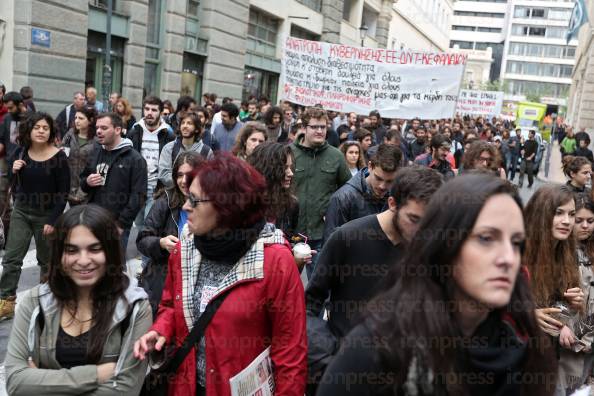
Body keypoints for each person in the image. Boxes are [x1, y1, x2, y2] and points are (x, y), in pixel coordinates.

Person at [317, 174, 557, 395]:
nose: (507, 257)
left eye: (516, 242)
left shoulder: (522, 355)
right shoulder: (378, 351)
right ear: (444, 247)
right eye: (486, 238)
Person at [133, 154, 307, 396]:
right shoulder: (185, 248)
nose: (185, 207)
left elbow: (290, 351)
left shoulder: (276, 261)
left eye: (194, 200)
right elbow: (171, 305)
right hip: (186, 385)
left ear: (227, 207)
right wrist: (161, 330)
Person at [307, 166, 443, 393]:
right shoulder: (347, 237)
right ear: (392, 204)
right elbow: (309, 303)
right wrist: (327, 358)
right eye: (414, 219)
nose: (422, 231)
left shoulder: (431, 249)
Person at [5, 204, 152, 395]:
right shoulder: (34, 302)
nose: (83, 260)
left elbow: (124, 390)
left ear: (110, 252)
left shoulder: (135, 308)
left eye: (95, 249)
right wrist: (96, 375)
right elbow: (16, 381)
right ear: (59, 254)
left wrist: (40, 382)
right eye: (72, 250)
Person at [0, 112, 70, 320]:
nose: (41, 131)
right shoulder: (21, 152)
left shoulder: (59, 157)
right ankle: (6, 301)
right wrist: (13, 170)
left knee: (47, 261)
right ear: (29, 130)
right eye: (37, 127)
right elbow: (13, 183)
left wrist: (53, 220)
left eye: (45, 128)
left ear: (50, 132)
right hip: (21, 211)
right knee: (12, 258)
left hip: (46, 214)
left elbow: (63, 192)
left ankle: (47, 301)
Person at [138, 152, 203, 315]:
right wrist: (160, 243)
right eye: (179, 175)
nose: (183, 181)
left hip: (195, 282)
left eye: (189, 175)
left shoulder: (208, 203)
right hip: (162, 280)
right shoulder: (164, 201)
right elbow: (142, 239)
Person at [290, 107, 352, 279]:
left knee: (318, 286)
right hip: (292, 232)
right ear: (304, 128)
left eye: (323, 127)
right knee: (286, 283)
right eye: (314, 127)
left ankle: (314, 307)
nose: (319, 131)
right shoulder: (289, 154)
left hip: (321, 233)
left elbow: (348, 190)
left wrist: (335, 213)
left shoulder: (336, 156)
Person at [80, 112, 147, 252]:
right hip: (92, 220)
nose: (98, 131)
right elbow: (83, 182)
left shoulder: (135, 159)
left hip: (116, 224)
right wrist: (87, 181)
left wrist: (122, 224)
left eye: (104, 128)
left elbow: (139, 196)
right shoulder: (96, 151)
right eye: (97, 127)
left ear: (117, 130)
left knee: (113, 268)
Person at [555, 193, 594, 394]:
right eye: (579, 220)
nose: (585, 226)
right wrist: (560, 325)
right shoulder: (559, 251)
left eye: (590, 221)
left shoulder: (591, 251)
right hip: (565, 340)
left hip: (589, 341)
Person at [323, 144, 402, 241]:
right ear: (370, 166)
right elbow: (330, 245)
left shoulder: (398, 196)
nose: (382, 186)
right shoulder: (342, 198)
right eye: (378, 178)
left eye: (389, 181)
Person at [247, 142, 307, 268]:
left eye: (291, 167)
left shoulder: (291, 204)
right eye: (285, 168)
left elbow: (291, 239)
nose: (290, 173)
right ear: (267, 170)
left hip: (278, 274)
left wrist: (297, 256)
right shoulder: (245, 203)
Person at [127, 96, 174, 223]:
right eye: (147, 109)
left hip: (156, 188)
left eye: (154, 110)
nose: (149, 113)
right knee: (138, 224)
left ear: (160, 112)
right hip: (136, 187)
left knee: (150, 224)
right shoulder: (135, 131)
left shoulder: (168, 134)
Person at [158, 111, 213, 190]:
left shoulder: (206, 151)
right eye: (183, 123)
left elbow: (210, 176)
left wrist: (193, 185)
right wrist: (181, 183)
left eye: (189, 123)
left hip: (196, 196)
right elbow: (163, 174)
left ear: (197, 129)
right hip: (173, 195)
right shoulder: (169, 148)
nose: (185, 126)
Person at [60, 105, 97, 205]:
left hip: (87, 189)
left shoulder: (96, 140)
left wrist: (82, 192)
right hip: (68, 186)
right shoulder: (70, 134)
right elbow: (61, 153)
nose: (77, 121)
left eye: (81, 118)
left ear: (90, 120)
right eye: (75, 118)